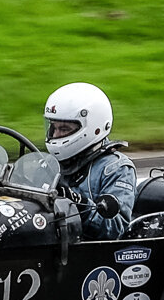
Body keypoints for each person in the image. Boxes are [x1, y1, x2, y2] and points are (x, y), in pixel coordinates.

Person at [44, 82, 136, 239]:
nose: (56, 135)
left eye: (64, 129)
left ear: (93, 126)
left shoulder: (116, 169)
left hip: (85, 251)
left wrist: (77, 203)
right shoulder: (49, 164)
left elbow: (115, 228)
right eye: (54, 128)